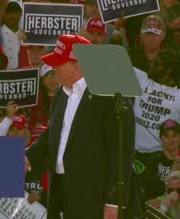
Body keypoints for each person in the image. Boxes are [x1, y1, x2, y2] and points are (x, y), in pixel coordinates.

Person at [25, 34, 138, 218]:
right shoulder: (61, 93)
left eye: (59, 63)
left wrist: (114, 201)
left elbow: (122, 151)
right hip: (60, 191)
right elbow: (53, 133)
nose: (53, 68)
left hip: (94, 196)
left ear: (77, 65)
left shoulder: (110, 94)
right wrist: (28, 156)